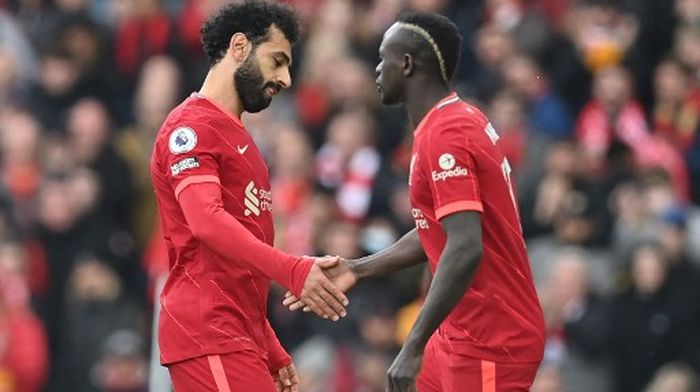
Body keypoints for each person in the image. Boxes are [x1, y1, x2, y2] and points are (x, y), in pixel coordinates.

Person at [285, 11, 545, 391]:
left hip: (493, 338)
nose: (376, 69)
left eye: (382, 57)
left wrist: (413, 343)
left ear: (406, 63)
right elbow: (439, 230)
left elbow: (465, 245)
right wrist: (358, 269)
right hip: (458, 330)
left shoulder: (447, 132)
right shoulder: (446, 123)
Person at [149, 2, 349, 391]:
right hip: (209, 332)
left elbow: (237, 263)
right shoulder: (190, 128)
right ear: (239, 47)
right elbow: (205, 222)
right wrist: (292, 270)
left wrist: (267, 341)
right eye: (277, 61)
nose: (286, 78)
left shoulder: (240, 136)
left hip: (236, 334)